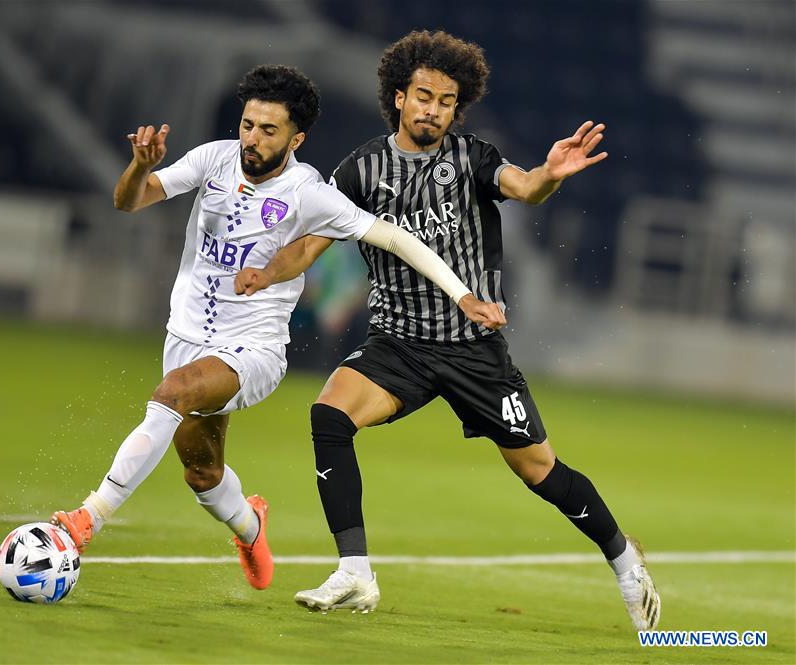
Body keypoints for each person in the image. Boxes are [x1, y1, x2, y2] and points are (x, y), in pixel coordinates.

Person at [235, 32, 660, 629]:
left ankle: (625, 561)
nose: (434, 109)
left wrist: (551, 174)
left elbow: (527, 188)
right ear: (400, 97)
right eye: (424, 96)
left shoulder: (473, 157)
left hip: (474, 349)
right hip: (398, 344)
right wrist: (264, 273)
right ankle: (354, 571)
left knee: (539, 471)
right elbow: (310, 245)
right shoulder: (360, 169)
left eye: (447, 100)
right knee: (329, 415)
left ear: (458, 108)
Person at [50, 64, 505, 592]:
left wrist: (463, 295)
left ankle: (86, 520)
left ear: (296, 138)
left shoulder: (309, 192)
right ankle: (250, 524)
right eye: (248, 125)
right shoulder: (213, 158)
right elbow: (130, 200)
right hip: (186, 338)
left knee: (173, 394)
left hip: (254, 350)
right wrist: (137, 167)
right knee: (201, 472)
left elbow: (397, 239)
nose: (252, 139)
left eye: (268, 131)